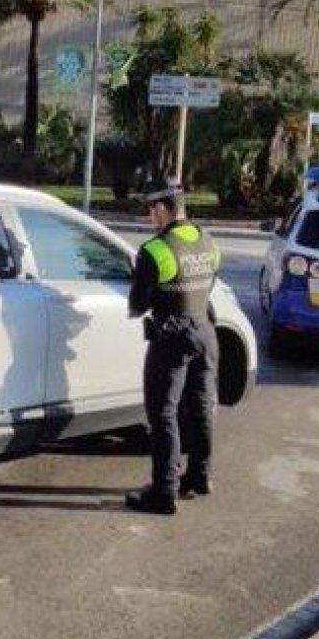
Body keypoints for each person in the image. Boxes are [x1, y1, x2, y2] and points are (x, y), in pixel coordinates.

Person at [125, 179, 221, 515]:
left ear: (163, 208)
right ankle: (200, 477)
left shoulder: (155, 250)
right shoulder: (208, 241)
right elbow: (208, 284)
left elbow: (136, 305)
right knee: (200, 408)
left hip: (172, 339)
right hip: (206, 333)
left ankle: (163, 492)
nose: (149, 216)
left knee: (163, 413)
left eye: (151, 209)